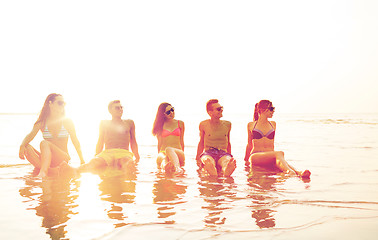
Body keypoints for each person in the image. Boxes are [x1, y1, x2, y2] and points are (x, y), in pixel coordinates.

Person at [19, 93, 85, 178]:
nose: (63, 105)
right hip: (48, 159)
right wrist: (22, 145)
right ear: (50, 104)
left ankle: (43, 172)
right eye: (60, 103)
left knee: (44, 143)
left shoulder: (67, 121)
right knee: (27, 147)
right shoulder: (42, 121)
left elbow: (75, 140)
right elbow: (31, 134)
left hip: (62, 157)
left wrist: (82, 160)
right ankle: (52, 171)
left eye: (64, 103)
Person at [244, 100, 311, 179]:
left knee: (282, 161)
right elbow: (249, 144)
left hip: (271, 156)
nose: (273, 111)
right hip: (256, 156)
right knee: (280, 153)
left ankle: (298, 172)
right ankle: (290, 172)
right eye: (271, 108)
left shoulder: (273, 124)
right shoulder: (251, 125)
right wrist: (246, 161)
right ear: (263, 110)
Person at [78, 100, 140, 174]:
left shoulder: (129, 123)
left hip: (124, 153)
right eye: (117, 108)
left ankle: (125, 182)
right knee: (93, 163)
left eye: (121, 107)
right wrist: (96, 155)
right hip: (108, 153)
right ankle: (72, 170)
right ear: (110, 110)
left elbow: (133, 141)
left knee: (128, 164)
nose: (120, 109)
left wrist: (137, 157)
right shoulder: (104, 123)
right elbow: (100, 141)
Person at [196, 99, 236, 177]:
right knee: (208, 162)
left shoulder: (227, 124)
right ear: (210, 112)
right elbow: (201, 142)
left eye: (221, 108)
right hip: (209, 153)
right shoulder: (204, 125)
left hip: (223, 153)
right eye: (218, 109)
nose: (221, 110)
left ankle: (226, 171)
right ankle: (214, 179)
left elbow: (228, 142)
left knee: (226, 162)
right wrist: (197, 159)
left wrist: (230, 156)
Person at [152, 103, 185, 174]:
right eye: (168, 112)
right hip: (164, 153)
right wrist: (160, 154)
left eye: (172, 110)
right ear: (163, 114)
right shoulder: (160, 126)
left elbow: (182, 141)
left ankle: (177, 169)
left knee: (169, 149)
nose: (171, 113)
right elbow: (159, 143)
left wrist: (182, 155)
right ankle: (165, 167)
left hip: (177, 152)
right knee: (163, 157)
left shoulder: (180, 123)